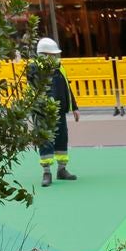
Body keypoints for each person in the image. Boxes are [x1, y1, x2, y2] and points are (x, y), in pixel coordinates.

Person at [27, 37, 79, 185]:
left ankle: (62, 169)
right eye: (52, 55)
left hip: (59, 111)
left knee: (62, 139)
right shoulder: (34, 69)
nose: (55, 57)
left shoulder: (59, 68)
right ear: (43, 55)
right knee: (45, 141)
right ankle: (46, 172)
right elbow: (32, 90)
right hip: (42, 113)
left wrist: (74, 107)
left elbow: (67, 89)